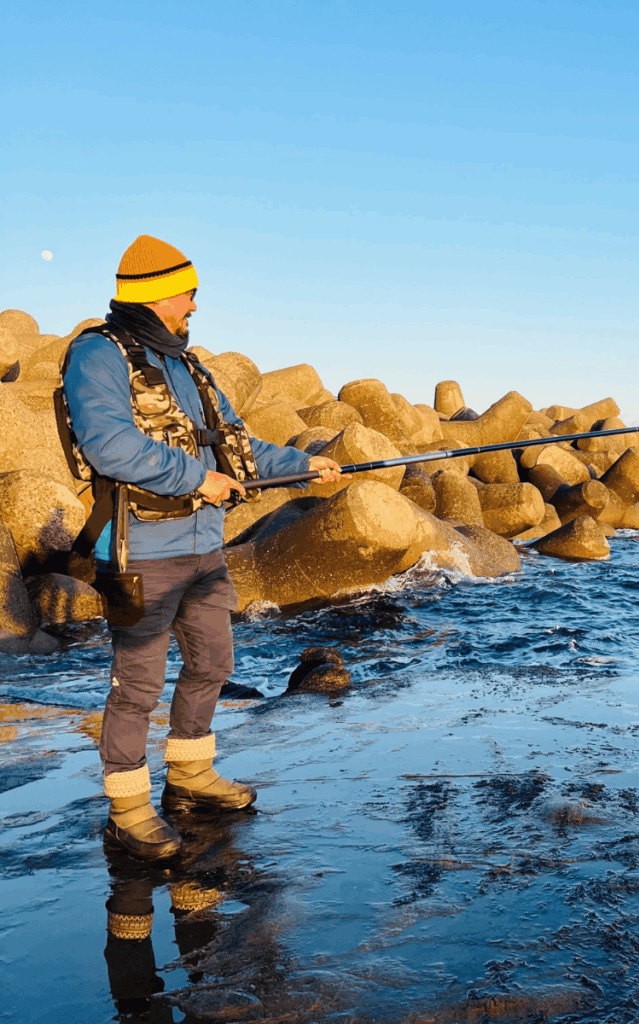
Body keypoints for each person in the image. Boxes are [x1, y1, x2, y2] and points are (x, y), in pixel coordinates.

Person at [63, 234, 343, 861]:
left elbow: (236, 446)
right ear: (161, 293)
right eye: (189, 293)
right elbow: (109, 444)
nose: (194, 306)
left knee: (213, 663)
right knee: (137, 685)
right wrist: (197, 479)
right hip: (142, 549)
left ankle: (189, 778)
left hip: (204, 551)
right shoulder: (97, 355)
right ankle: (128, 809)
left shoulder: (189, 366)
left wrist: (304, 465)